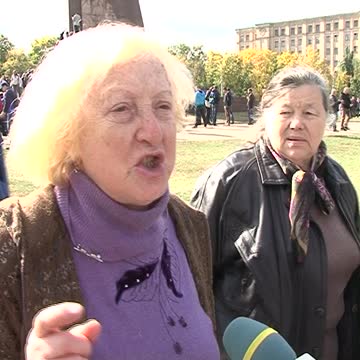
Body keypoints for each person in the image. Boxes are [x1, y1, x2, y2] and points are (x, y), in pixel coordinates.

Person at [0, 23, 220, 360]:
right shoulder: (12, 243)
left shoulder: (191, 227)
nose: (153, 131)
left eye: (162, 107)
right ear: (68, 134)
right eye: (122, 109)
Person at [191, 66, 360, 360]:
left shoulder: (340, 183)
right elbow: (191, 283)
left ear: (327, 120)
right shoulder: (229, 180)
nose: (297, 123)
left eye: (309, 113)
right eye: (285, 112)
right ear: (266, 117)